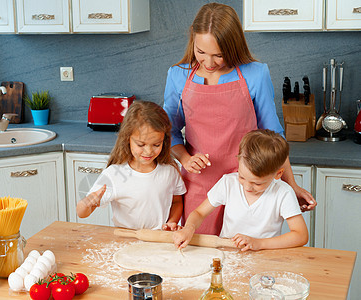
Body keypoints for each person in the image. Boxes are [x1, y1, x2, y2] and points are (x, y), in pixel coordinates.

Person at [163, 2, 315, 235]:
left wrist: (291, 185)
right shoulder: (178, 76)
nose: (209, 63)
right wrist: (184, 158)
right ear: (193, 40)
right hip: (199, 186)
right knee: (201, 260)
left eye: (219, 55)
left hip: (249, 184)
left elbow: (274, 136)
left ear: (233, 47)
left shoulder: (255, 74)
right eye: (201, 52)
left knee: (245, 258)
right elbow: (169, 131)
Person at [173, 129, 309, 251]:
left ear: (278, 174)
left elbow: (301, 235)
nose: (247, 187)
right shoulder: (228, 183)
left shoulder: (283, 193)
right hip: (227, 254)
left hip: (265, 257)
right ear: (238, 162)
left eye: (257, 183)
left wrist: (259, 244)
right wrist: (188, 229)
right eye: (242, 177)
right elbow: (199, 213)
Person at [76, 100, 186, 230]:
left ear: (164, 140)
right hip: (125, 241)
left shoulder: (169, 171)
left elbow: (176, 201)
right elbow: (81, 213)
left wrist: (172, 222)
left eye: (156, 145)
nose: (149, 151)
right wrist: (88, 203)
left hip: (159, 240)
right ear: (127, 139)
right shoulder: (114, 175)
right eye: (141, 145)